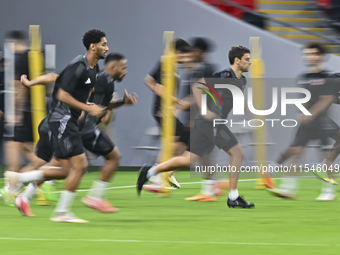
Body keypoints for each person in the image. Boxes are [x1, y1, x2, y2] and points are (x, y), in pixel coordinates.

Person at [10, 53, 137, 217]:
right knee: (63, 169)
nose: (126, 71)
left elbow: (102, 108)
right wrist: (31, 83)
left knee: (110, 158)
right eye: (123, 68)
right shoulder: (99, 78)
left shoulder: (107, 83)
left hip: (87, 131)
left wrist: (121, 103)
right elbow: (56, 79)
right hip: (72, 129)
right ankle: (21, 184)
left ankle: (24, 194)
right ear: (113, 67)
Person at [6, 29, 107, 223]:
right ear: (92, 46)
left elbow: (57, 79)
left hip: (67, 121)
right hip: (61, 120)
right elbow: (61, 93)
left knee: (62, 170)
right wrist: (87, 107)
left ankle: (21, 184)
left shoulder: (93, 69)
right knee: (80, 166)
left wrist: (88, 107)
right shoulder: (78, 65)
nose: (106, 47)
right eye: (103, 44)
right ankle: (61, 212)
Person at [138, 45, 255, 208]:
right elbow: (198, 86)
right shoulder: (225, 75)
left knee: (189, 160)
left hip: (210, 124)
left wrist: (243, 105)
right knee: (237, 153)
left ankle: (150, 172)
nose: (250, 62)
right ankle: (232, 197)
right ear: (237, 60)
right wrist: (205, 110)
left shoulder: (241, 80)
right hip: (208, 124)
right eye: (247, 59)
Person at [269, 42, 339, 200]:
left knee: (325, 156)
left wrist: (310, 114)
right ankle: (289, 188)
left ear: (321, 57)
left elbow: (327, 99)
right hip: (307, 122)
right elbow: (304, 99)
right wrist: (302, 113)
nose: (310, 57)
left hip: (322, 121)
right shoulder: (303, 78)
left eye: (314, 54)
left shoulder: (328, 77)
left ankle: (328, 192)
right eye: (307, 54)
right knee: (296, 152)